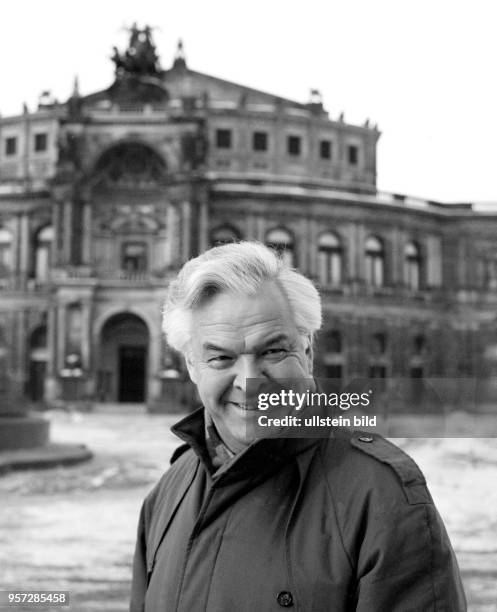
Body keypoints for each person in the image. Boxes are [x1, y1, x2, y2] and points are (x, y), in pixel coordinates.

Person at [130, 241, 466, 611]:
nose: (249, 382)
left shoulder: (383, 497)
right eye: (221, 357)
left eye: (272, 351)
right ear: (192, 365)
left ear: (307, 353)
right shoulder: (167, 493)